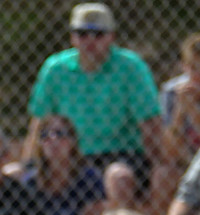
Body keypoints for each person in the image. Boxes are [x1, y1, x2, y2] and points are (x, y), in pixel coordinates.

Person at [22, 3, 162, 197]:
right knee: (17, 176)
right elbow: (39, 122)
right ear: (72, 37)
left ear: (112, 37)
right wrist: (28, 162)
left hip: (119, 153)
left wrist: (157, 164)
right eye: (82, 34)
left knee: (118, 177)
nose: (90, 41)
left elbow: (150, 124)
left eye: (98, 34)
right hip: (68, 155)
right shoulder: (56, 69)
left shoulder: (131, 68)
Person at [21, 115, 106, 215]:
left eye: (60, 134)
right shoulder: (31, 183)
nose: (53, 140)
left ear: (72, 142)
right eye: (45, 135)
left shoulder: (88, 180)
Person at [160, 33, 200, 170]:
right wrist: (180, 110)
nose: (199, 75)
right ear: (184, 66)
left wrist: (193, 111)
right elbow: (169, 153)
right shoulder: (172, 91)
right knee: (162, 175)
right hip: (185, 162)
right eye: (194, 68)